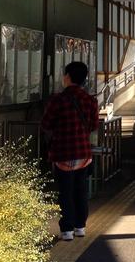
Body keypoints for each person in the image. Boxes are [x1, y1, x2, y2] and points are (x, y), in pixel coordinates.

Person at [40, 61, 99, 241]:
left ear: (67, 77)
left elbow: (46, 124)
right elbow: (94, 125)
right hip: (82, 153)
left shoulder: (57, 100)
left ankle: (67, 230)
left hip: (63, 153)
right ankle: (80, 226)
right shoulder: (90, 100)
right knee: (80, 190)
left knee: (65, 191)